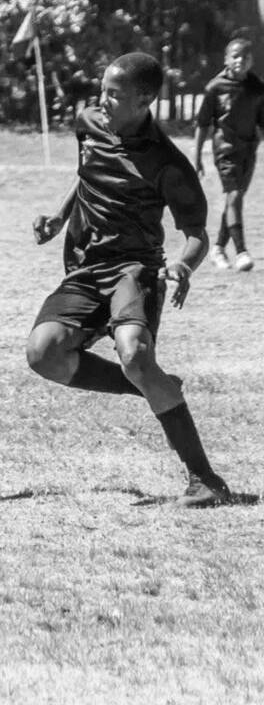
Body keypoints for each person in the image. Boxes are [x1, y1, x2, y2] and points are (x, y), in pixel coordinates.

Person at [27, 51, 231, 508]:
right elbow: (86, 173)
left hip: (134, 269)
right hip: (85, 268)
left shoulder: (167, 163)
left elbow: (196, 234)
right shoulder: (88, 123)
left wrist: (184, 266)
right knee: (43, 354)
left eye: (114, 94)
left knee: (135, 353)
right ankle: (155, 385)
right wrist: (59, 218)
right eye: (103, 90)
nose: (103, 100)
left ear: (144, 100)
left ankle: (206, 480)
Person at [194, 37, 264, 272]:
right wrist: (196, 159)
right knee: (234, 196)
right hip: (225, 151)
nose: (240, 60)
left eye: (245, 57)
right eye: (235, 56)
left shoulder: (257, 88)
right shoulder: (215, 88)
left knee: (236, 199)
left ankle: (218, 249)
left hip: (248, 152)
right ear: (226, 59)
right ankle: (242, 252)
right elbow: (202, 124)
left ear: (251, 60)